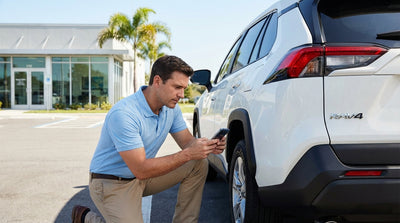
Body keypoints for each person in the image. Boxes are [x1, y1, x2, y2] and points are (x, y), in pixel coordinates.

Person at [71, 55, 226, 223]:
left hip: (143, 178)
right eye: (177, 87)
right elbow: (141, 169)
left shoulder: (171, 109)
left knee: (198, 163)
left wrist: (207, 146)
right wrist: (189, 154)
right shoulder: (124, 114)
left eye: (184, 88)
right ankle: (87, 218)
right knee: (190, 158)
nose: (182, 94)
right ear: (158, 81)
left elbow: (188, 143)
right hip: (112, 183)